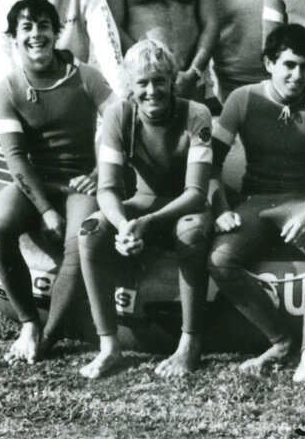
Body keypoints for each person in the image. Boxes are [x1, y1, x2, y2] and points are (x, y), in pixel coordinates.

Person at [207, 24, 305, 387]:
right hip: (256, 200)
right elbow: (211, 165)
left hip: (302, 199)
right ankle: (280, 340)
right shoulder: (243, 99)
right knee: (219, 259)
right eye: (289, 65)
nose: (299, 76)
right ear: (268, 63)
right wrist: (220, 209)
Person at [0, 0, 114, 364]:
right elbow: (15, 157)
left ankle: (50, 337)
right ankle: (28, 321)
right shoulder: (7, 89)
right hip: (36, 183)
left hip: (79, 183)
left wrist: (97, 174)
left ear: (57, 32)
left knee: (81, 240)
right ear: (13, 37)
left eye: (43, 26)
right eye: (26, 28)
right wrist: (45, 210)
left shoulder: (85, 75)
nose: (35, 34)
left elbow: (119, 124)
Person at [78, 39, 213, 379]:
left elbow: (196, 193)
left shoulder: (196, 114)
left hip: (183, 207)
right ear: (130, 86)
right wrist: (124, 224)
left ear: (172, 80)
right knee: (90, 232)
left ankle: (189, 343)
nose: (152, 91)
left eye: (159, 81)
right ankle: (109, 346)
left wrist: (147, 223)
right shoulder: (118, 114)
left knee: (192, 232)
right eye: (142, 83)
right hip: (142, 203)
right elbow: (107, 188)